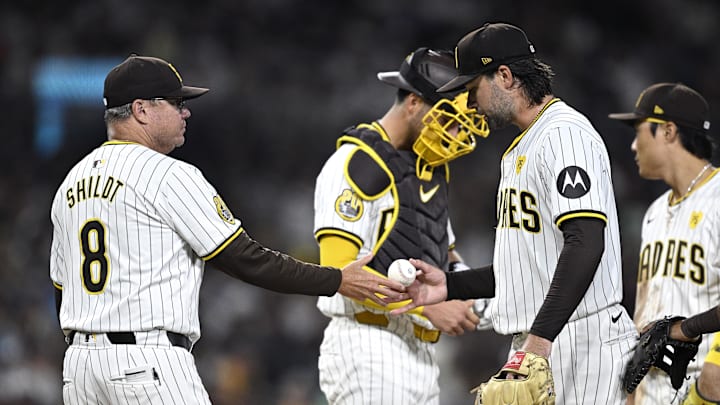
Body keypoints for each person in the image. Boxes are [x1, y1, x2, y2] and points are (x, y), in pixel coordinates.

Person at [49, 54, 409, 405]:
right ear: (141, 109)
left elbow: (61, 290)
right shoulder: (166, 174)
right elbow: (244, 259)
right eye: (175, 103)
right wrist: (336, 279)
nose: (185, 111)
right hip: (145, 364)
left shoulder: (70, 184)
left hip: (80, 369)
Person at [391, 22, 638, 404]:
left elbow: (586, 243)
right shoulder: (524, 145)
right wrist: (450, 286)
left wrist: (539, 342)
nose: (470, 103)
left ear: (504, 76)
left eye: (472, 88)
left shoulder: (565, 134)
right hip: (544, 340)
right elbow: (526, 270)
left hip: (581, 341)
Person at [312, 47, 490, 404]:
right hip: (368, 344)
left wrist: (465, 290)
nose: (455, 131)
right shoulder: (358, 163)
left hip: (421, 353)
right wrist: (431, 306)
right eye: (449, 118)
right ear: (413, 102)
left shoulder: (429, 169)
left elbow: (443, 250)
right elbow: (337, 274)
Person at [608, 82, 720, 404]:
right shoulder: (654, 213)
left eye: (639, 131)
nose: (633, 146)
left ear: (668, 131)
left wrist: (688, 330)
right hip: (654, 393)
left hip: (703, 388)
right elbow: (645, 317)